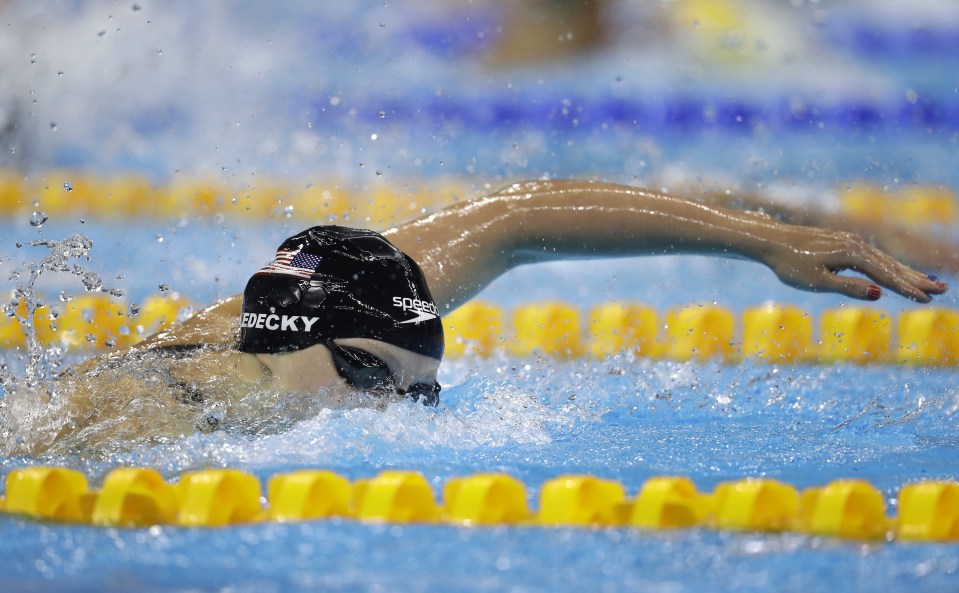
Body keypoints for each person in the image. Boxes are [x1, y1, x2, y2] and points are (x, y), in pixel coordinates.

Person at [10, 179, 948, 455]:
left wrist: (757, 239)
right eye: (372, 378)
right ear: (294, 339)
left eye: (415, 397)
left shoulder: (311, 327)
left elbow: (513, 221)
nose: (386, 415)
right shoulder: (140, 416)